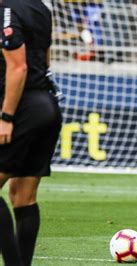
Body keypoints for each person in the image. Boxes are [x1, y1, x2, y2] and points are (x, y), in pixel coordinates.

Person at [0, 1, 62, 265]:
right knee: (23, 196)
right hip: (47, 105)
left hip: (22, 108)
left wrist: (6, 117)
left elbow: (18, 67)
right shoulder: (41, 9)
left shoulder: (6, 10)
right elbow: (45, 59)